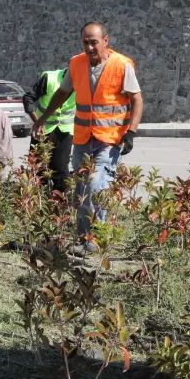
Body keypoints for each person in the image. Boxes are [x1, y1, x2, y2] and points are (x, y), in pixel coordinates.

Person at [33, 22, 144, 255]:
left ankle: (96, 237)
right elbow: (62, 93)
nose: (90, 47)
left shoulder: (122, 65)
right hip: (83, 137)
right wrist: (43, 118)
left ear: (106, 40)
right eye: (85, 42)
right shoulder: (76, 63)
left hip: (110, 138)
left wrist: (131, 132)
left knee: (96, 185)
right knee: (81, 188)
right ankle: (84, 239)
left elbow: (137, 100)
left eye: (94, 42)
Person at [23, 69, 75, 193]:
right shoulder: (50, 78)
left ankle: (60, 207)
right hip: (42, 131)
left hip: (65, 132)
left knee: (61, 171)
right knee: (39, 169)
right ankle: (37, 204)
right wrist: (37, 122)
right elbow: (28, 98)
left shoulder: (83, 82)